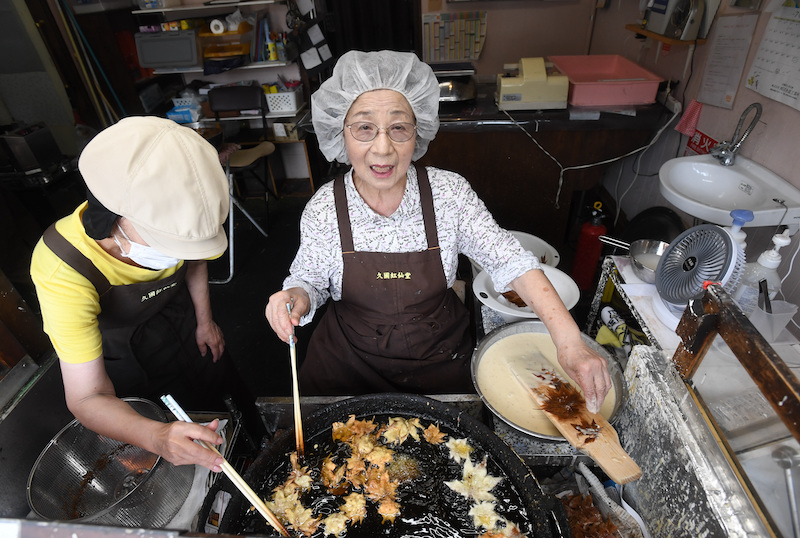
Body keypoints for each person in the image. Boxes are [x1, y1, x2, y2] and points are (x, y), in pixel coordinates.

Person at [265, 50, 611, 412]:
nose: (383, 149)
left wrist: (570, 341)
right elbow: (309, 281)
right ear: (341, 132)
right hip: (348, 365)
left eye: (399, 127)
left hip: (439, 360)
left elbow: (510, 261)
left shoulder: (448, 194)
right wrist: (295, 297)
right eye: (364, 127)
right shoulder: (324, 208)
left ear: (419, 131)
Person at [31, 116, 252, 472]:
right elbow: (87, 396)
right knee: (171, 435)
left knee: (223, 392)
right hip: (128, 358)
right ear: (115, 215)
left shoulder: (184, 218)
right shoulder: (62, 269)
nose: (179, 254)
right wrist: (156, 437)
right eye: (168, 244)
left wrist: (205, 320)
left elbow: (195, 262)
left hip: (181, 318)